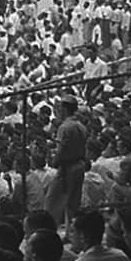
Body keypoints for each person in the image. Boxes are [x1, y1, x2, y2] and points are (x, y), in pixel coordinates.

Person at [48, 98, 90, 229]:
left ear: (65, 109)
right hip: (79, 164)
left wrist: (54, 162)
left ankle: (49, 231)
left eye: (60, 108)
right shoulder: (81, 125)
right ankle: (70, 233)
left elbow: (61, 150)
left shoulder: (65, 127)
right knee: (72, 203)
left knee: (52, 201)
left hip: (67, 167)